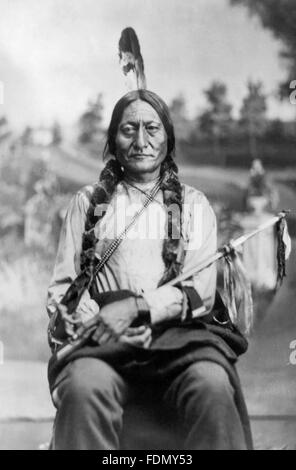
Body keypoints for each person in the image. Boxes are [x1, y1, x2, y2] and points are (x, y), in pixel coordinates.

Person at [46, 89, 252, 450]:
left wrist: (136, 310)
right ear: (113, 139)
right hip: (105, 338)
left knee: (212, 384)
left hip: (180, 339)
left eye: (152, 129)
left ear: (167, 139)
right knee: (82, 388)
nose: (141, 141)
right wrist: (97, 322)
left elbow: (200, 291)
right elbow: (63, 291)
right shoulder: (86, 203)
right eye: (129, 129)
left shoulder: (193, 205)